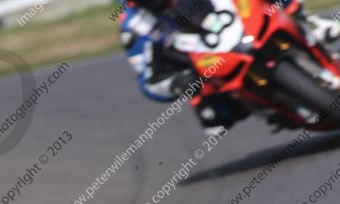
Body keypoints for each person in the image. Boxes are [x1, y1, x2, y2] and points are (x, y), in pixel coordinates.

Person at [120, 0, 340, 134]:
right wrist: (177, 84)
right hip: (204, 62)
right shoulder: (134, 23)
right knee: (212, 115)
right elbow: (149, 80)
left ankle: (309, 21)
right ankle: (269, 108)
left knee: (278, 8)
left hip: (233, 24)